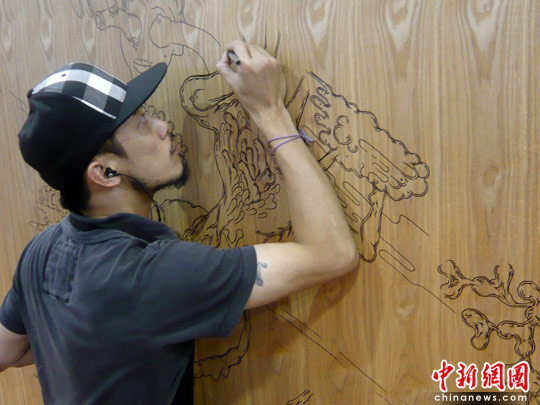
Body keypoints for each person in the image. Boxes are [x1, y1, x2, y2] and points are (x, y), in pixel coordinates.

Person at [0, 41, 358, 404]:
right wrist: (269, 111)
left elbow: (6, 351)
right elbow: (331, 254)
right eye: (141, 122)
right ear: (105, 172)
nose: (162, 125)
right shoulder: (150, 274)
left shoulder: (40, 252)